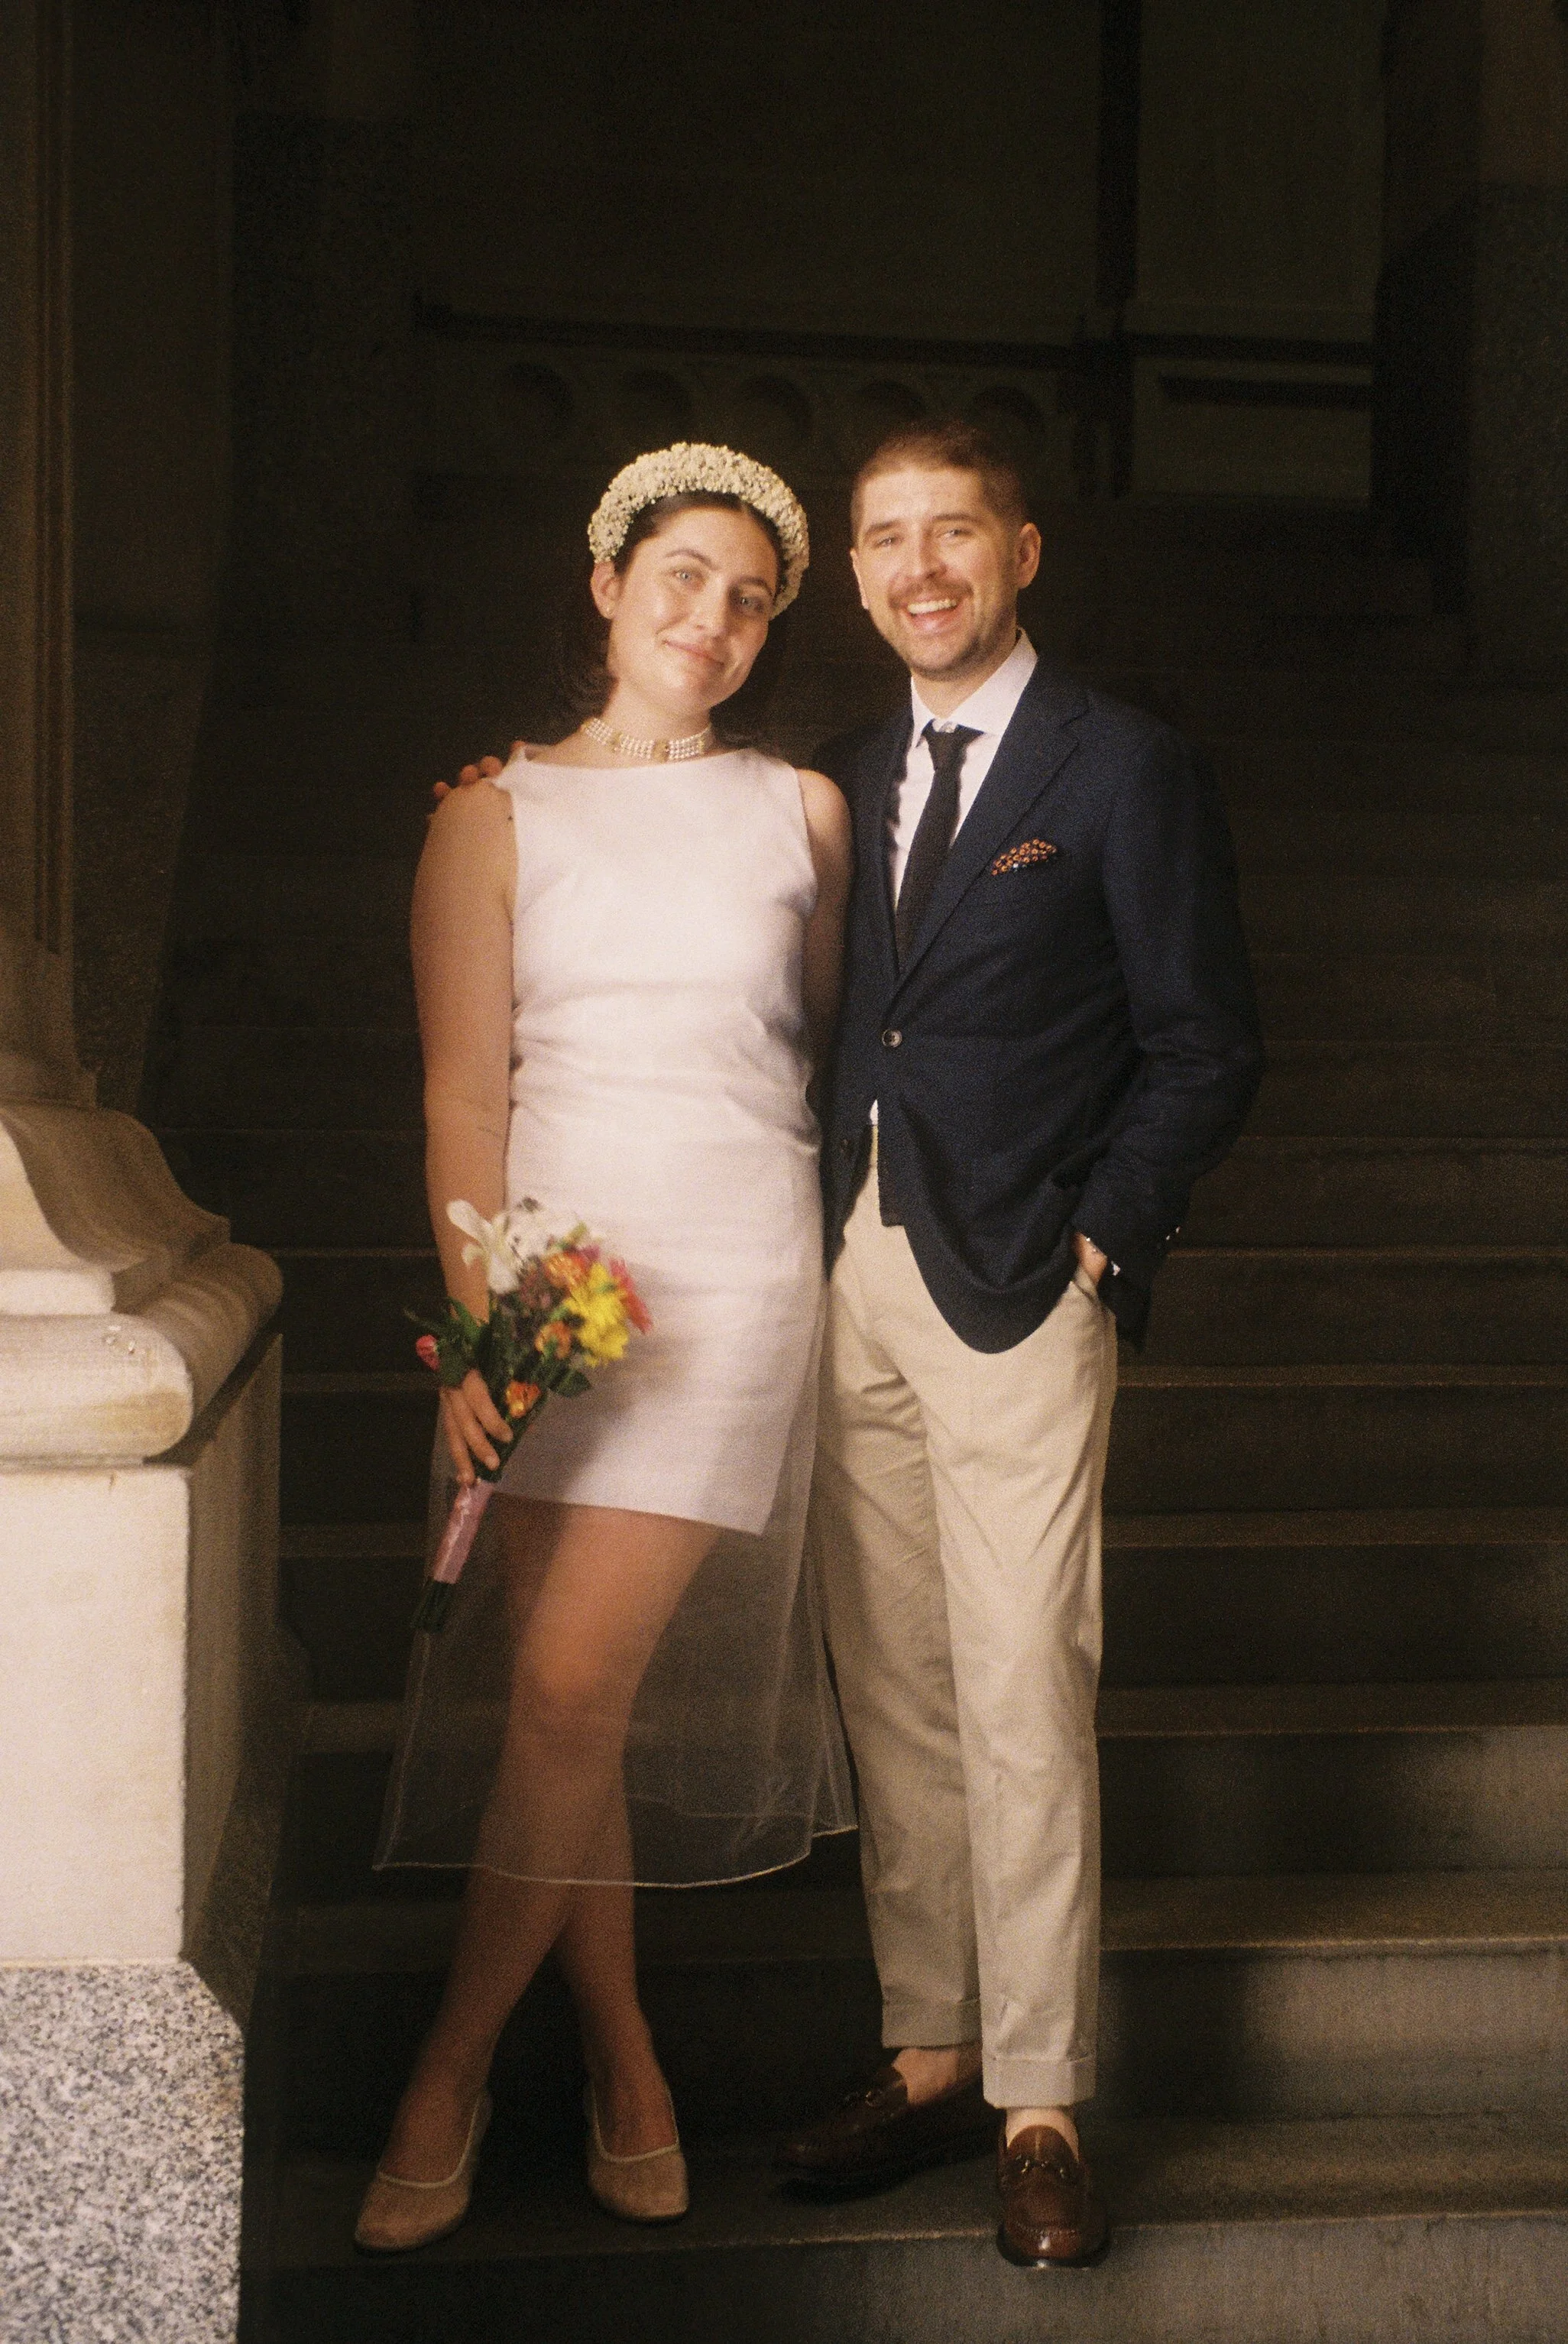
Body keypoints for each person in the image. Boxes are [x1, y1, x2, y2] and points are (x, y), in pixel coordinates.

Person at [355, 443, 855, 2255]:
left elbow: (822, 1052)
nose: (710, 619)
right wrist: (483, 1318)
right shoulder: (491, 815)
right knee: (575, 1715)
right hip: (553, 1292)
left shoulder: (801, 810)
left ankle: (450, 2070)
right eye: (683, 580)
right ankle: (627, 2059)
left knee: (567, 1695)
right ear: (607, 585)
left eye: (748, 599)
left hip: (728, 1285)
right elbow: (459, 1089)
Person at [773, 420, 1264, 2267]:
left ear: (1023, 551)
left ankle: (1041, 2100)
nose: (920, 568)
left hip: (1020, 1289)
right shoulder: (833, 775)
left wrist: (1099, 1239)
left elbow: (1207, 1040)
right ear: (858, 568)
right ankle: (927, 2053)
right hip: (850, 1274)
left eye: (952, 533)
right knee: (894, 1690)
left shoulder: (1121, 765)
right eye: (886, 539)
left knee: (1020, 1687)